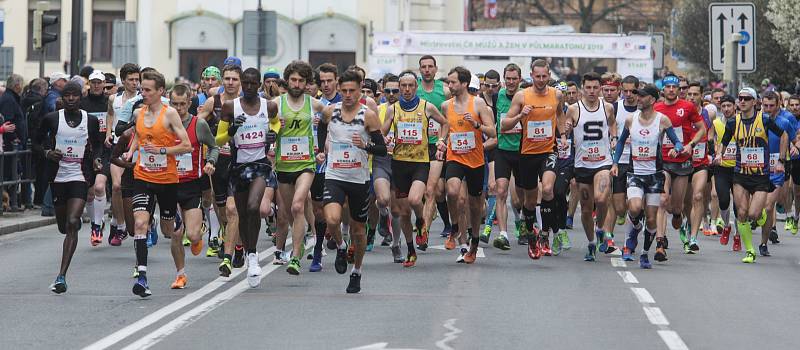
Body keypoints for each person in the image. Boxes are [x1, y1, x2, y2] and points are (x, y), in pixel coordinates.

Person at [317, 69, 387, 293]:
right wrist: (321, 150)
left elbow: (382, 149)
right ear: (339, 89)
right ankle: (340, 245)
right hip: (335, 175)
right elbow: (321, 127)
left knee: (358, 230)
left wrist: (365, 146)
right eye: (344, 90)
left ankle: (356, 271)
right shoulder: (330, 112)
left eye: (352, 91)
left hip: (358, 178)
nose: (347, 95)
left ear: (359, 91)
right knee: (332, 218)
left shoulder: (368, 116)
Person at [125, 70, 192, 297]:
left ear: (160, 91)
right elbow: (138, 136)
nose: (142, 93)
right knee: (140, 223)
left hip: (166, 179)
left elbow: (186, 146)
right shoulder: (138, 114)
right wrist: (131, 151)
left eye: (147, 90)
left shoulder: (170, 114)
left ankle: (174, 220)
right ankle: (142, 277)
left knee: (167, 230)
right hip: (142, 176)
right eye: (141, 89)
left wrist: (163, 150)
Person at [34, 81, 103, 293]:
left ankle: (61, 276)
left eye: (74, 95)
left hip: (80, 176)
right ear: (62, 98)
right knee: (64, 226)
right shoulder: (51, 119)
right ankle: (70, 227)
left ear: (80, 97)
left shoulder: (89, 121)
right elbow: (35, 143)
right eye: (67, 95)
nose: (71, 98)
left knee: (73, 222)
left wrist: (97, 159)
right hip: (57, 177)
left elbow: (98, 143)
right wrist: (47, 153)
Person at [213, 68, 278, 287]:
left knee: (252, 207)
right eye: (246, 83)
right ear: (242, 84)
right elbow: (218, 138)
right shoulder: (231, 107)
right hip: (238, 166)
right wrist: (231, 130)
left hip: (260, 165)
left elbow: (277, 124)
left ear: (259, 84)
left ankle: (252, 256)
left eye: (253, 83)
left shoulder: (268, 106)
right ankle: (250, 253)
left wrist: (274, 134)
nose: (249, 87)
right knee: (241, 213)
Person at [714, 87, 789, 264]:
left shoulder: (764, 120)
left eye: (747, 98)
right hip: (740, 174)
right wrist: (720, 154)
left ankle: (762, 216)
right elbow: (724, 140)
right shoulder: (733, 123)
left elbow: (784, 135)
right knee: (741, 212)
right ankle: (749, 250)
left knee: (754, 215)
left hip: (761, 175)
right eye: (740, 98)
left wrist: (781, 161)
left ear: (754, 102)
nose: (742, 101)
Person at [611, 84, 683, 268]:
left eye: (641, 96)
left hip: (655, 175)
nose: (638, 99)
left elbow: (677, 142)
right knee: (634, 208)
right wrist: (615, 163)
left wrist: (676, 149)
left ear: (652, 99)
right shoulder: (630, 119)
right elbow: (620, 142)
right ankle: (632, 235)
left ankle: (644, 254)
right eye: (637, 96)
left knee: (651, 218)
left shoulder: (662, 120)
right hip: (635, 172)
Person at [381, 70, 448, 267]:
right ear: (399, 87)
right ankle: (410, 249)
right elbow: (381, 132)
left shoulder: (426, 107)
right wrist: (383, 139)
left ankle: (421, 222)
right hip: (399, 163)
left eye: (411, 86)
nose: (407, 89)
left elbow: (445, 123)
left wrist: (442, 141)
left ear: (416, 87)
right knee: (403, 213)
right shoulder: (393, 109)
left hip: (420, 162)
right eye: (404, 86)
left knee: (414, 199)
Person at [501, 59, 567, 260]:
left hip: (548, 150)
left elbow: (559, 115)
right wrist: (520, 115)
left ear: (549, 76)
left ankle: (545, 235)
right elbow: (504, 125)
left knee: (547, 189)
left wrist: (562, 135)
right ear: (531, 75)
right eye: (537, 76)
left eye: (544, 76)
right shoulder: (522, 96)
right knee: (528, 202)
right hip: (528, 154)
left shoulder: (556, 94)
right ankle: (531, 234)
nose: (540, 80)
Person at [167, 84, 220, 289]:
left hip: (192, 185)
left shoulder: (199, 125)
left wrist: (211, 162)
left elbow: (214, 147)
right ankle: (180, 274)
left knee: (193, 235)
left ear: (190, 103)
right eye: (175, 104)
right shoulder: (164, 124)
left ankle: (198, 235)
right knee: (176, 234)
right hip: (169, 185)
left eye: (183, 104)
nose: (179, 108)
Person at [271, 61, 322, 274]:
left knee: (298, 205)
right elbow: (263, 127)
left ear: (306, 83)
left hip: (306, 164)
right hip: (283, 165)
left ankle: (295, 256)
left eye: (301, 80)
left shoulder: (314, 104)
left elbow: (334, 119)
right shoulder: (275, 103)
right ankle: (299, 242)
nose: (297, 83)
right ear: (287, 80)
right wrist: (274, 125)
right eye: (293, 79)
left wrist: (323, 147)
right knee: (291, 213)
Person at [442, 66, 496, 263]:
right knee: (453, 191)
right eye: (449, 82)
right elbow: (444, 129)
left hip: (475, 159)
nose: (450, 85)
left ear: (464, 84)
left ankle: (474, 240)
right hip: (455, 157)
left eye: (453, 82)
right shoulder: (446, 106)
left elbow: (492, 133)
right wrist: (441, 141)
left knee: (475, 205)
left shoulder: (479, 104)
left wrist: (476, 125)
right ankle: (455, 226)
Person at [565, 72, 616, 261]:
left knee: (601, 199)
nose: (592, 91)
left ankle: (601, 227)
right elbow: (566, 125)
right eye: (588, 88)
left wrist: (614, 138)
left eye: (595, 88)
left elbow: (612, 125)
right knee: (586, 209)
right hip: (582, 164)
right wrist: (567, 130)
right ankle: (592, 243)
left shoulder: (608, 107)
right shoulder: (573, 108)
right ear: (582, 89)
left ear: (600, 88)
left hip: (603, 162)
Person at [654, 74, 704, 256]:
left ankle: (677, 216)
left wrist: (690, 145)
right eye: (668, 87)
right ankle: (660, 242)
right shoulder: (656, 108)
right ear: (663, 89)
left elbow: (702, 129)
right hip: (663, 161)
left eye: (675, 87)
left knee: (676, 207)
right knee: (662, 200)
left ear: (678, 90)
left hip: (682, 163)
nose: (672, 90)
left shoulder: (687, 107)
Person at [417, 55, 452, 245]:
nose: (427, 70)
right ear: (420, 69)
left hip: (437, 145)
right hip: (416, 147)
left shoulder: (444, 91)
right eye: (424, 67)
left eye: (430, 66)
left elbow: (450, 117)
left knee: (432, 190)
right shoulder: (413, 89)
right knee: (421, 193)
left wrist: (444, 139)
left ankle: (425, 232)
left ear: (436, 69)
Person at [490, 63, 525, 249]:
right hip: (502, 150)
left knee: (520, 198)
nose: (511, 82)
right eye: (508, 79)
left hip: (522, 151)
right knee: (501, 191)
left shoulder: (526, 96)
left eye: (514, 79)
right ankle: (503, 234)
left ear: (520, 79)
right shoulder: (497, 96)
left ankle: (521, 220)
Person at [81, 70, 114, 245]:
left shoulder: (109, 102)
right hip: (88, 150)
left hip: (106, 149)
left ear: (103, 84)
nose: (95, 85)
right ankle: (98, 220)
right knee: (89, 193)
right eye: (93, 82)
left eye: (98, 82)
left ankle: (95, 226)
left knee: (100, 187)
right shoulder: (82, 103)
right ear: (89, 83)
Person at [0, 74, 27, 212]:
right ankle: (10, 203)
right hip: (11, 144)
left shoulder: (10, 98)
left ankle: (11, 202)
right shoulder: (9, 100)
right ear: (17, 86)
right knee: (10, 173)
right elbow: (8, 121)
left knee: (13, 173)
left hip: (13, 143)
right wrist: (14, 137)